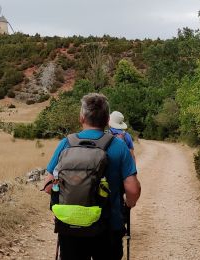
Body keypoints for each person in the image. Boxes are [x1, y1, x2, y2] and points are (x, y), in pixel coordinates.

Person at [44, 93, 141, 260]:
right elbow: (133, 189)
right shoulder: (118, 146)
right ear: (106, 121)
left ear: (82, 117)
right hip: (109, 227)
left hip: (70, 225)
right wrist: (128, 205)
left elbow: (48, 186)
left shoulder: (66, 143)